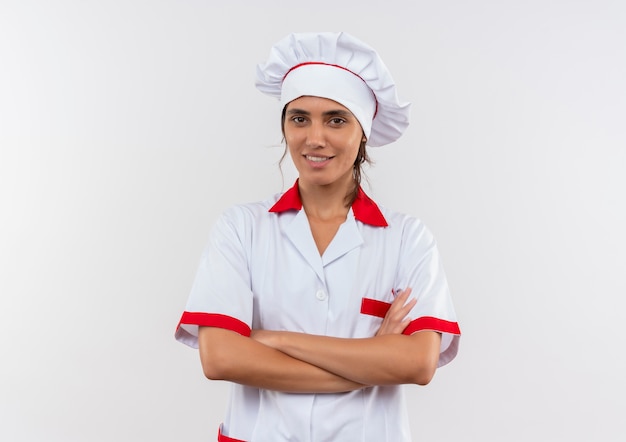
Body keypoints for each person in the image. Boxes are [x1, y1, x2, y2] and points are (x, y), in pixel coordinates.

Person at [175, 32, 461, 442]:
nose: (314, 138)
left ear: (363, 132)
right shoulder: (241, 227)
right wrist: (367, 361)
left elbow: (417, 363)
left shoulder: (407, 239)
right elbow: (220, 357)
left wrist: (271, 340)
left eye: (336, 119)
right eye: (299, 118)